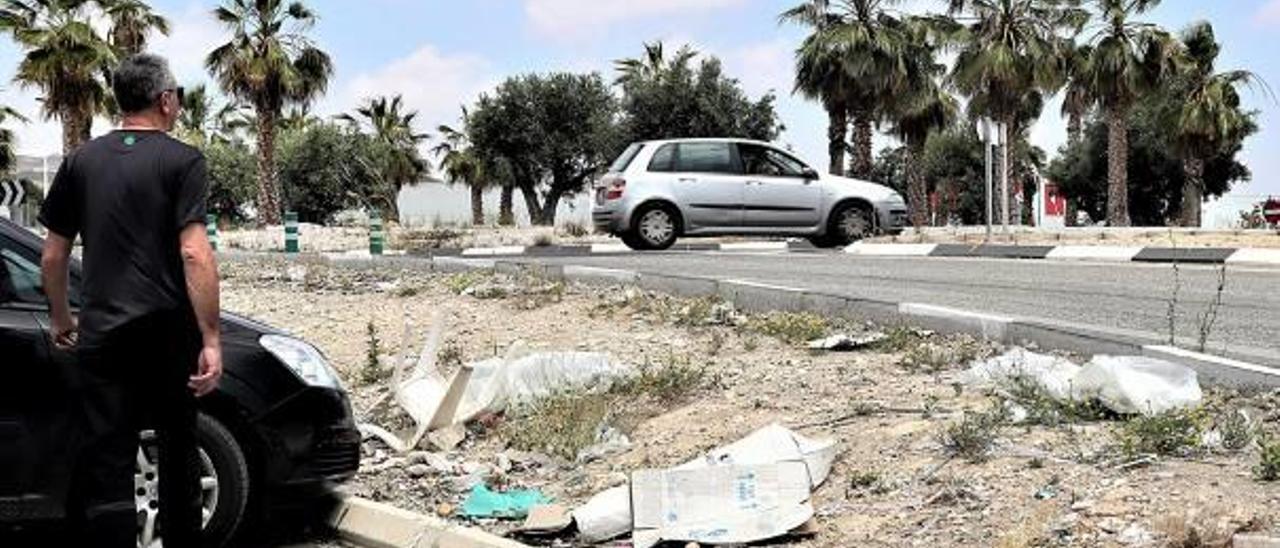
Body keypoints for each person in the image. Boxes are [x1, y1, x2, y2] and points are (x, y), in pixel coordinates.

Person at [38, 53, 222, 548]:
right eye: (178, 96)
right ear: (166, 101)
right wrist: (210, 337)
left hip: (101, 334)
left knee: (108, 461)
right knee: (179, 453)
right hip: (167, 335)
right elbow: (194, 252)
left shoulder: (82, 160)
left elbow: (54, 255)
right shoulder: (184, 161)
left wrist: (61, 317)